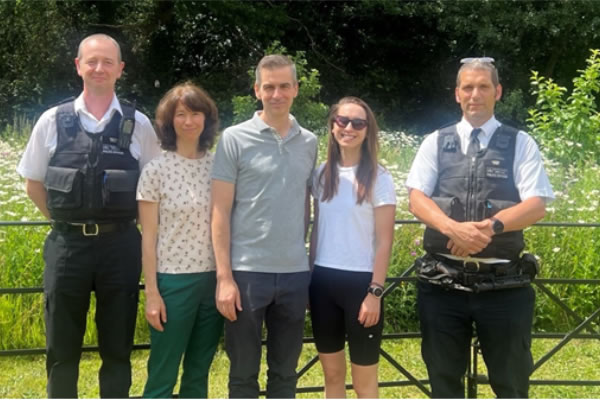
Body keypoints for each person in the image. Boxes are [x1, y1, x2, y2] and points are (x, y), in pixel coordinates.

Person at [16, 33, 161, 398]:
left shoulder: (138, 124)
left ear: (120, 70)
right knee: (61, 349)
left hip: (121, 246)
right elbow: (33, 183)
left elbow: (154, 190)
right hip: (67, 247)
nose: (99, 68)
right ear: (79, 66)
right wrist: (66, 221)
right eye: (92, 61)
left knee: (117, 346)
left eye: (107, 62)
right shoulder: (52, 120)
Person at [405, 57, 555, 398]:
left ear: (497, 91)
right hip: (443, 285)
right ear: (457, 94)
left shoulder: (521, 143)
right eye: (468, 87)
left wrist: (488, 228)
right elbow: (416, 199)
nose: (475, 94)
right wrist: (452, 229)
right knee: (443, 383)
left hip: (504, 287)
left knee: (511, 384)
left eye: (483, 86)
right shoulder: (434, 142)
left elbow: (537, 204)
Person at [211, 54, 318, 398]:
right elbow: (220, 211)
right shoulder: (234, 138)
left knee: (285, 374)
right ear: (257, 90)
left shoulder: (310, 142)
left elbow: (305, 202)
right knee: (243, 375)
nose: (277, 94)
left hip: (293, 272)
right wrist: (224, 278)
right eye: (269, 87)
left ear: (296, 89)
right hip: (245, 273)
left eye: (284, 86)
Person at [136, 82, 223, 398]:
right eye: (181, 114)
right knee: (163, 372)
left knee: (199, 372)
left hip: (213, 281)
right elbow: (148, 238)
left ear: (207, 118)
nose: (189, 121)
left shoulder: (221, 166)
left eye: (196, 113)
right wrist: (152, 294)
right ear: (169, 121)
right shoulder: (155, 170)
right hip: (173, 283)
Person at [308, 97, 396, 398]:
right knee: (332, 376)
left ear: (368, 130)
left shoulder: (380, 178)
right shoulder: (321, 175)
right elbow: (317, 228)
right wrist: (309, 277)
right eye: (342, 121)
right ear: (332, 127)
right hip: (321, 283)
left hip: (361, 285)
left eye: (358, 123)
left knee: (364, 382)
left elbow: (385, 240)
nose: (349, 128)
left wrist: (375, 292)